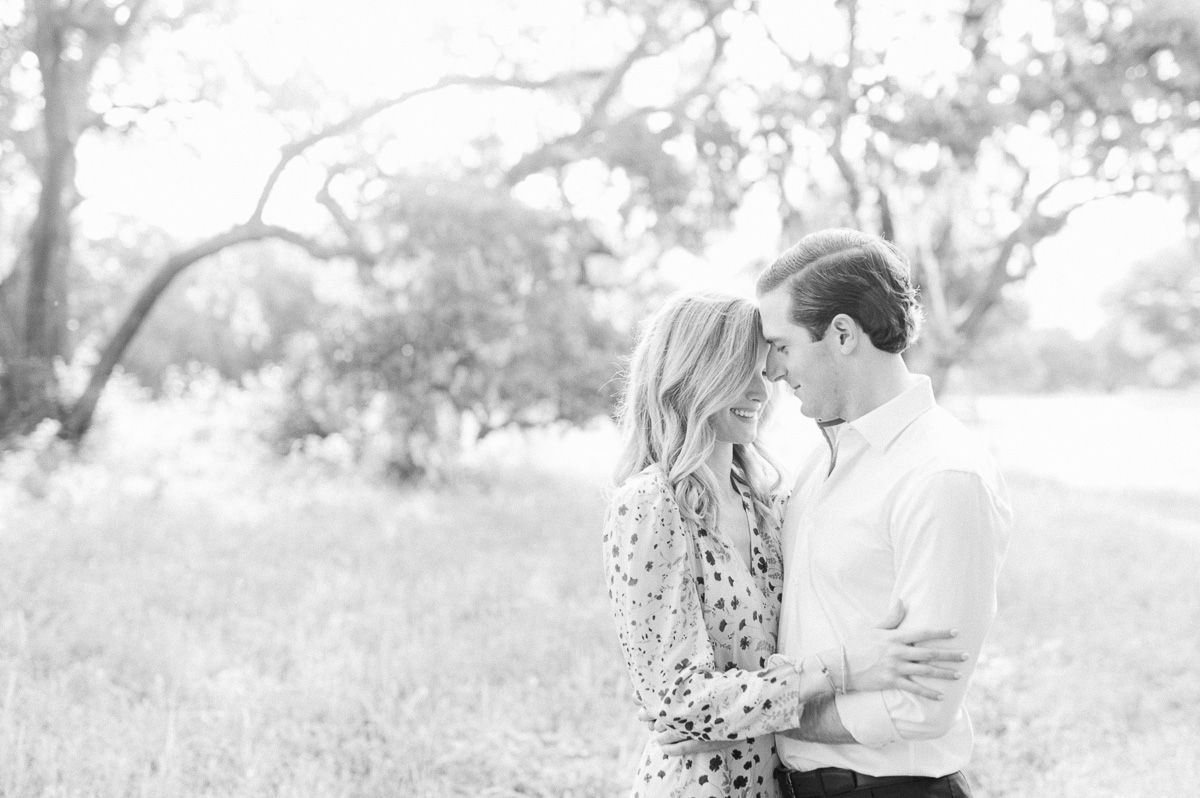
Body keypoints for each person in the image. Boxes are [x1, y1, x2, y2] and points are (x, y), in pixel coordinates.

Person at [603, 291, 970, 798]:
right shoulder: (649, 504)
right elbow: (679, 701)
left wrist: (726, 717)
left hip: (776, 785)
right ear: (688, 374)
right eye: (741, 372)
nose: (763, 390)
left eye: (766, 370)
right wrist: (840, 668)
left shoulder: (767, 502)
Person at [756, 229, 1013, 797]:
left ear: (842, 333)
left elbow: (921, 704)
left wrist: (765, 716)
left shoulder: (942, 476)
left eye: (782, 345)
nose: (771, 370)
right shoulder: (816, 462)